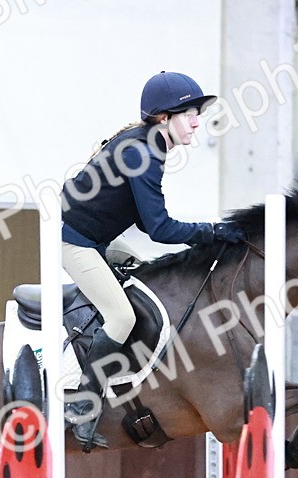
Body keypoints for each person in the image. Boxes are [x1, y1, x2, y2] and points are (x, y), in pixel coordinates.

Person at [60, 70, 246, 451]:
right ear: (164, 118)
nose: (197, 121)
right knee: (122, 316)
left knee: (145, 276)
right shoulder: (143, 154)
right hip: (73, 244)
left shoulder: (147, 144)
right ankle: (82, 408)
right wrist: (211, 233)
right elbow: (158, 227)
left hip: (98, 240)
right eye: (190, 113)